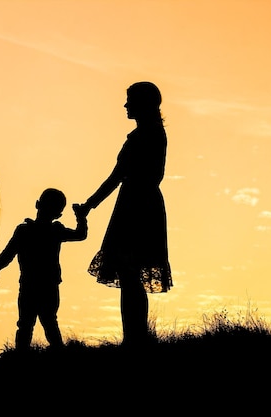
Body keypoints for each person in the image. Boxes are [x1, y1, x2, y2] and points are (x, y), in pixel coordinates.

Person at [77, 81, 173, 347]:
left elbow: (116, 176)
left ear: (143, 103)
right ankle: (135, 337)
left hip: (136, 206)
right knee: (130, 274)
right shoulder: (153, 133)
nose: (126, 105)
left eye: (130, 100)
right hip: (143, 203)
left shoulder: (144, 136)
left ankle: (134, 339)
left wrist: (89, 205)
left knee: (129, 273)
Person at [0, 188, 88, 353]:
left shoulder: (24, 230)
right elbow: (81, 235)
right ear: (59, 214)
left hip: (29, 284)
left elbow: (6, 257)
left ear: (37, 204)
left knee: (26, 324)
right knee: (49, 322)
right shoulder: (55, 231)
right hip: (48, 285)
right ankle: (57, 352)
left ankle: (21, 356)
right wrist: (81, 216)